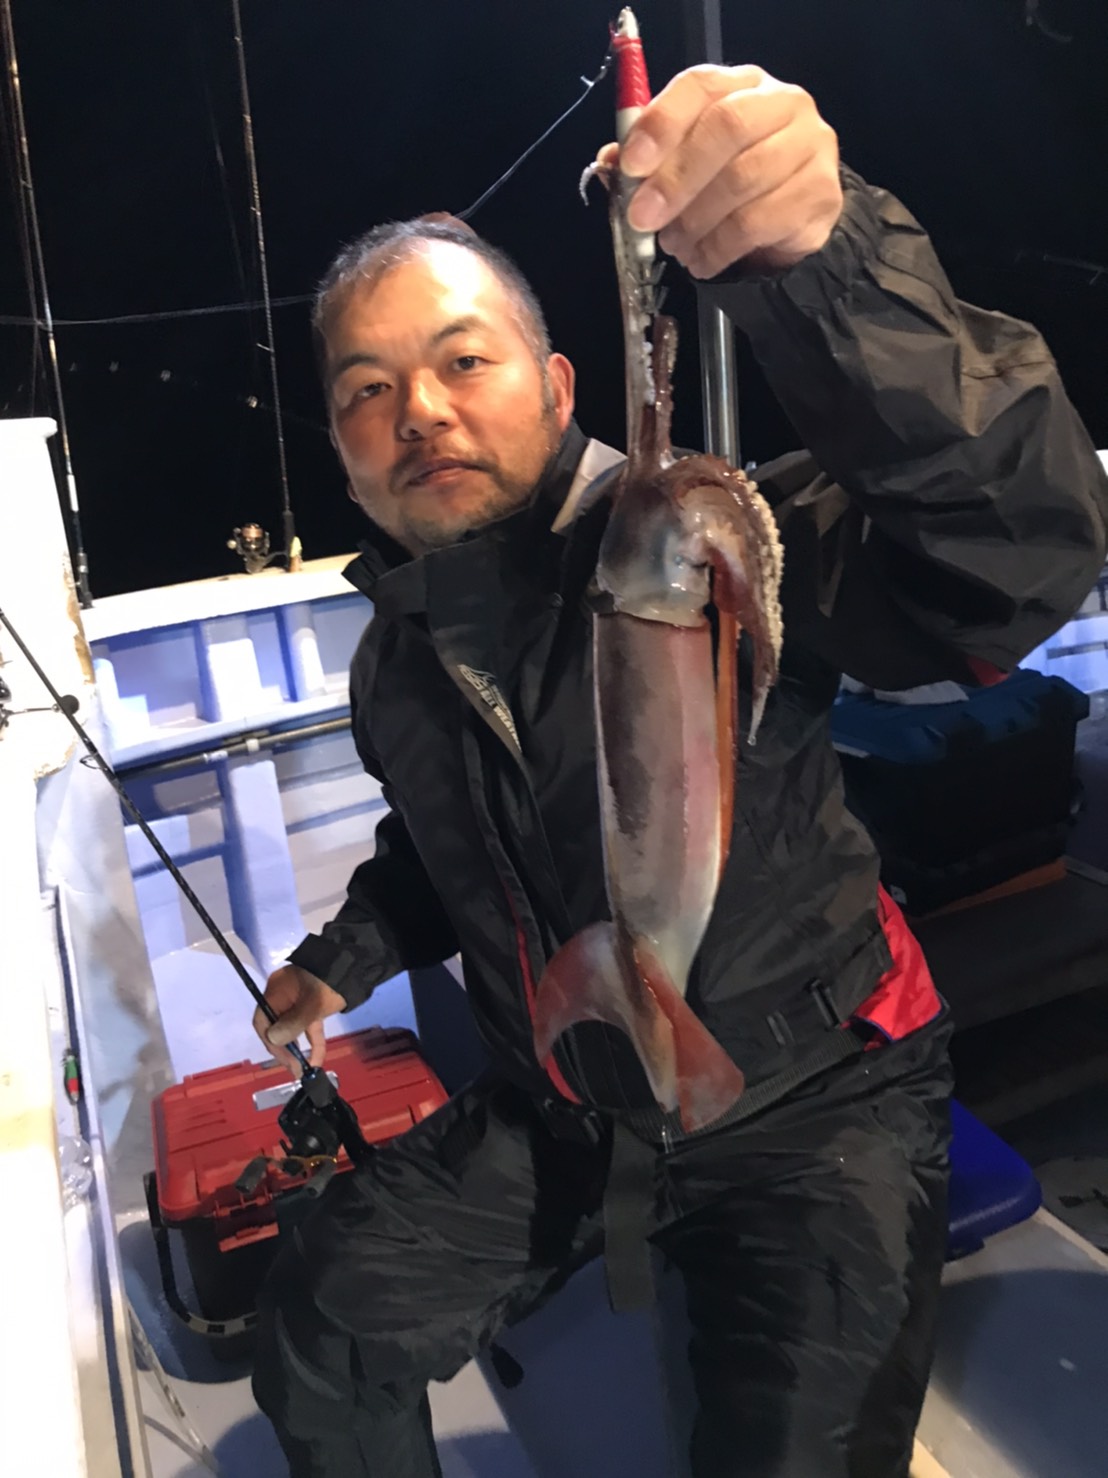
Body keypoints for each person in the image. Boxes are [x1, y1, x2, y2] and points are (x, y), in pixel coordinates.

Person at [250, 63, 1108, 1478]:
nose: (421, 410)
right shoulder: (398, 659)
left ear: (556, 384)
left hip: (816, 1101)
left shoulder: (700, 543)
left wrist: (826, 263)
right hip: (573, 1097)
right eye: (367, 390)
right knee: (321, 1327)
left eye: (464, 361)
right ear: (343, 455)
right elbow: (440, 850)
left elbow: (1015, 549)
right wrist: (338, 962)